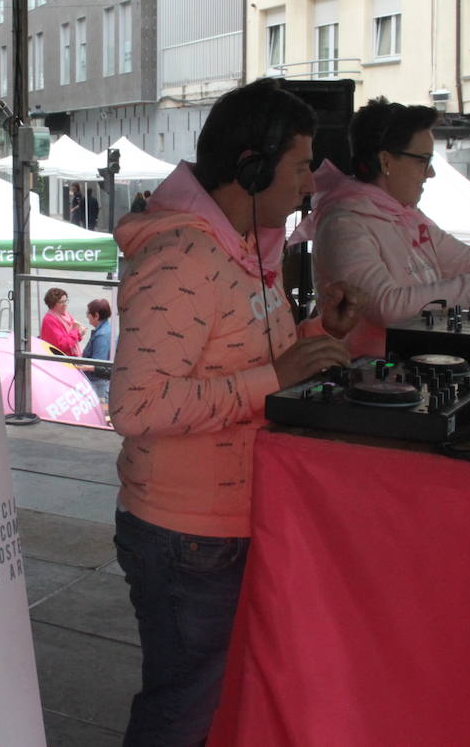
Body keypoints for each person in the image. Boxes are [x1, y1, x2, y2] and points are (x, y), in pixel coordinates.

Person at [110, 77, 365, 746]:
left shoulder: (245, 248)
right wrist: (272, 378)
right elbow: (136, 405)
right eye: (302, 166)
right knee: (182, 709)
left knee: (208, 700)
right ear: (252, 166)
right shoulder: (181, 258)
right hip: (184, 535)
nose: (310, 185)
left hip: (228, 522)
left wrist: (316, 338)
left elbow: (249, 357)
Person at [300, 96, 470, 359]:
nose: (430, 173)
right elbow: (388, 307)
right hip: (365, 385)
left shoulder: (408, 216)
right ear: (386, 161)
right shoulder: (344, 224)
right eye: (422, 160)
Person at [39, 287, 85, 357]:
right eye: (61, 302)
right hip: (60, 360)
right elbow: (62, 345)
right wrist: (76, 330)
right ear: (53, 304)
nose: (65, 304)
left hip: (70, 356)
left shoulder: (65, 315)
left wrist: (80, 333)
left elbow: (73, 337)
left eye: (66, 301)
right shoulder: (49, 320)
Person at [83, 298, 113, 402]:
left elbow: (97, 364)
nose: (87, 316)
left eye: (88, 313)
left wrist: (80, 366)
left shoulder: (102, 335)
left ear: (96, 315)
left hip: (97, 386)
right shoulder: (104, 330)